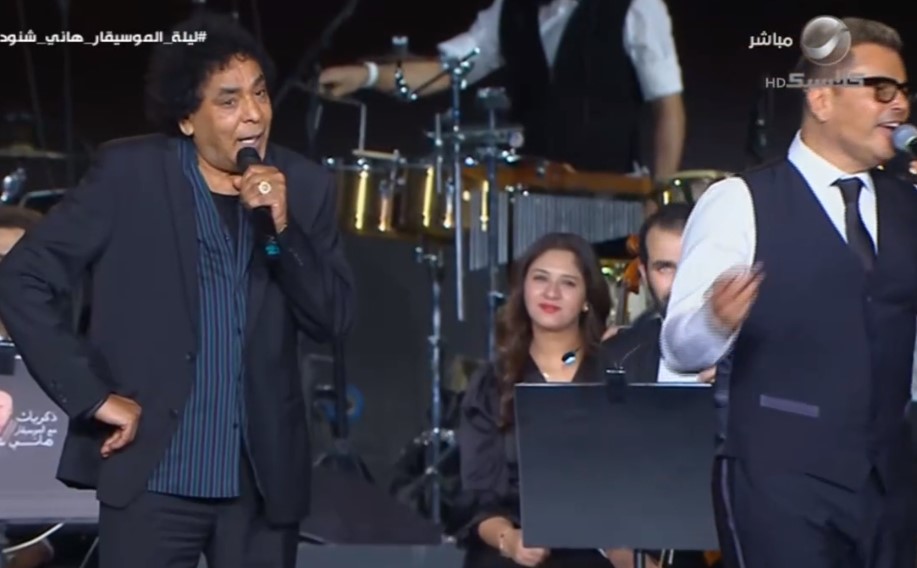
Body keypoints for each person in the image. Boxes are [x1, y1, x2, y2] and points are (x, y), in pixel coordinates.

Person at [0, 12, 355, 568]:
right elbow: (22, 278)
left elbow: (331, 319)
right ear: (187, 118)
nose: (254, 113)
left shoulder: (303, 186)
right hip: (153, 472)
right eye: (229, 100)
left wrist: (283, 230)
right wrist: (92, 396)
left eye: (260, 93)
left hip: (260, 486)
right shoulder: (129, 176)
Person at [661, 17, 915, 567]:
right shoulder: (740, 200)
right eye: (881, 89)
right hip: (779, 480)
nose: (899, 105)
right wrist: (714, 321)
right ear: (821, 98)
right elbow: (679, 349)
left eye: (903, 91)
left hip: (891, 489)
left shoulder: (908, 206)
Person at [318, 0, 685, 225]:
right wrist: (366, 75)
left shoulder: (636, 7)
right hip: (531, 199)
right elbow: (446, 70)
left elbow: (668, 107)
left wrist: (659, 196)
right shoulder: (511, 10)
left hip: (609, 197)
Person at [457, 232, 659, 568]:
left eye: (568, 283)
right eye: (540, 279)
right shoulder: (492, 383)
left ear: (586, 299)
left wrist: (622, 552)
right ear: (523, 290)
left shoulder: (620, 376)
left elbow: (642, 488)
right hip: (510, 549)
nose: (551, 292)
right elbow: (477, 498)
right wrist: (510, 540)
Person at [601, 202, 713, 384]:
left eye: (693, 265)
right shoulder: (614, 356)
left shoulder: (756, 357)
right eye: (665, 268)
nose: (680, 282)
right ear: (644, 275)